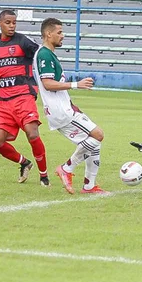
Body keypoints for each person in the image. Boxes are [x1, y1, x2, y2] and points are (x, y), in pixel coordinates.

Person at [0, 9, 49, 186]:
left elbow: (42, 55)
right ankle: (24, 163)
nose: (12, 26)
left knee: (32, 133)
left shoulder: (23, 41)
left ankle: (44, 176)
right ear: (0, 23)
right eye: (8, 22)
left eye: (14, 22)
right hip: (3, 102)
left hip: (24, 96)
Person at [32, 17, 107, 195]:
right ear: (48, 34)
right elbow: (48, 83)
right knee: (97, 135)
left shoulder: (48, 54)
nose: (62, 36)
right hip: (60, 112)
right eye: (59, 32)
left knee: (93, 143)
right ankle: (67, 168)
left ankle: (89, 186)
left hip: (64, 108)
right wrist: (76, 84)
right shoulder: (44, 55)